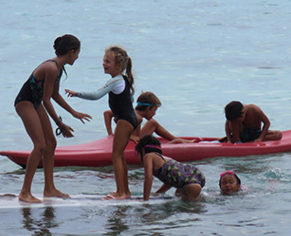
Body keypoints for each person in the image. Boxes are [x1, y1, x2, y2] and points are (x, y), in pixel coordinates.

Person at [15, 34, 92, 203]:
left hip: (35, 103)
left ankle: (49, 189)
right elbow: (46, 99)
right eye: (78, 52)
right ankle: (24, 192)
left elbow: (54, 95)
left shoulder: (58, 68)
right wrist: (60, 123)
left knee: (51, 143)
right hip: (25, 102)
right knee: (40, 145)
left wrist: (73, 112)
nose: (78, 56)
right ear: (72, 52)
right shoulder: (51, 68)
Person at [66, 45, 136, 199]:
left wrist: (77, 93)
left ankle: (120, 192)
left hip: (125, 120)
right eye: (104, 60)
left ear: (118, 65)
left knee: (116, 155)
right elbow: (130, 99)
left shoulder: (116, 81)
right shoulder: (124, 80)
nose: (104, 63)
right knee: (120, 155)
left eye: (108, 61)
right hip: (129, 119)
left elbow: (96, 95)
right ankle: (126, 191)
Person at [103, 91, 194, 144]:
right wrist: (130, 136)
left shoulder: (130, 112)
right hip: (134, 145)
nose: (154, 114)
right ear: (148, 108)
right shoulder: (138, 118)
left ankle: (177, 140)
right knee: (153, 123)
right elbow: (119, 124)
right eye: (154, 110)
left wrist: (110, 133)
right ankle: (175, 142)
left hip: (135, 140)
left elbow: (108, 114)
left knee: (152, 123)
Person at [135, 135, 205, 201]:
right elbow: (170, 180)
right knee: (179, 197)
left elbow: (148, 178)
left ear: (142, 150)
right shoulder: (163, 159)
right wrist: (157, 193)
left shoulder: (148, 156)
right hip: (192, 182)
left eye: (137, 153)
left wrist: (145, 199)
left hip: (189, 184)